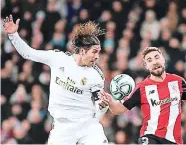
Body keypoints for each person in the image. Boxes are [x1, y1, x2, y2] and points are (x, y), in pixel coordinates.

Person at [3, 15, 109, 145]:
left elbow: (100, 104)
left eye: (99, 52)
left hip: (87, 126)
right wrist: (13, 35)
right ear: (82, 51)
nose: (97, 56)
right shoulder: (58, 59)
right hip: (62, 128)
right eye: (94, 52)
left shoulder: (96, 75)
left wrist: (103, 106)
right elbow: (28, 53)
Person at [100, 47, 186, 144]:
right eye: (149, 60)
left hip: (174, 140)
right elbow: (119, 109)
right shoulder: (141, 88)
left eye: (157, 57)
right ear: (146, 66)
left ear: (163, 59)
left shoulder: (178, 82)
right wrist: (109, 101)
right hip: (150, 137)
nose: (154, 62)